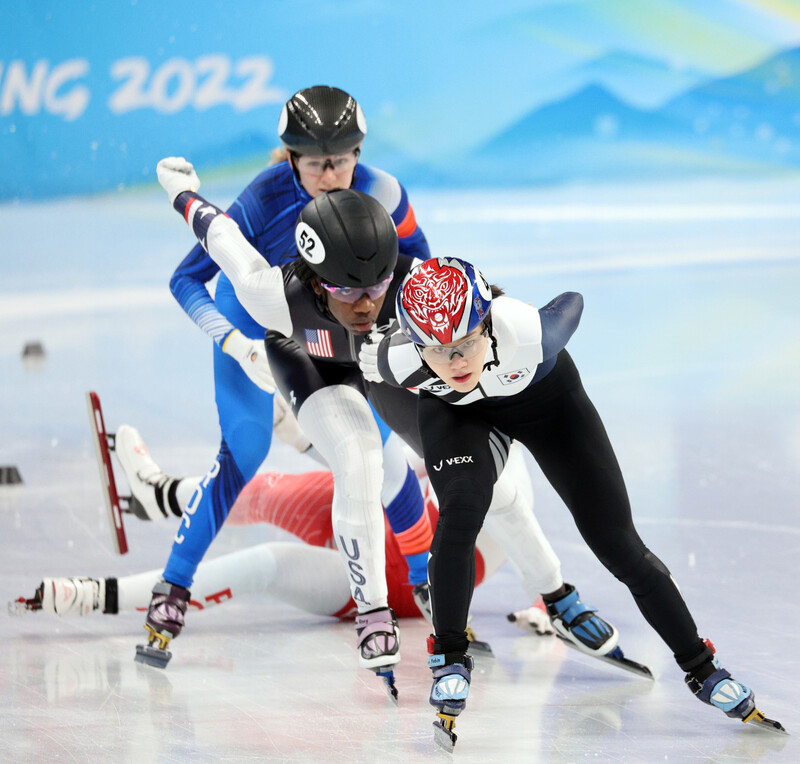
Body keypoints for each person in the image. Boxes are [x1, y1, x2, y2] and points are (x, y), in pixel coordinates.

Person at [152, 158, 627, 684]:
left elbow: (490, 313)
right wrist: (183, 193)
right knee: (360, 463)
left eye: (377, 287)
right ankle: (372, 609)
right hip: (311, 362)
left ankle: (557, 595)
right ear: (313, 281)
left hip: (393, 367)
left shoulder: (413, 289)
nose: (366, 304)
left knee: (497, 487)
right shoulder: (272, 292)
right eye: (349, 292)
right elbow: (222, 237)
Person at [358, 255, 780, 739]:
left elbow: (572, 303)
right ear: (415, 344)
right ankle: (450, 658)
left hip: (547, 404)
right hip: (462, 418)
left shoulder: (528, 331)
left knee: (617, 543)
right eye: (438, 350)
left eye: (467, 342)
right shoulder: (394, 359)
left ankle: (703, 668)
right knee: (460, 514)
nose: (456, 362)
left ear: (488, 322)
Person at [140, 86, 434, 665]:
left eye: (343, 158)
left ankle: (425, 580)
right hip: (258, 326)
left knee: (374, 446)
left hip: (337, 328)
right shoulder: (262, 200)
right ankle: (173, 585)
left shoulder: (383, 191)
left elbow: (421, 265)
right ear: (291, 158)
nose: (332, 174)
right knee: (244, 452)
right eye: (317, 163)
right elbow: (186, 279)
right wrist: (232, 341)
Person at [20, 467, 552, 638]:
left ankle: (97, 596)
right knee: (267, 491)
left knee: (264, 564)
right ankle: (157, 492)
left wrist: (548, 602)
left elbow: (528, 538)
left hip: (390, 581)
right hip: (372, 514)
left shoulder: (506, 471)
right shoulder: (427, 392)